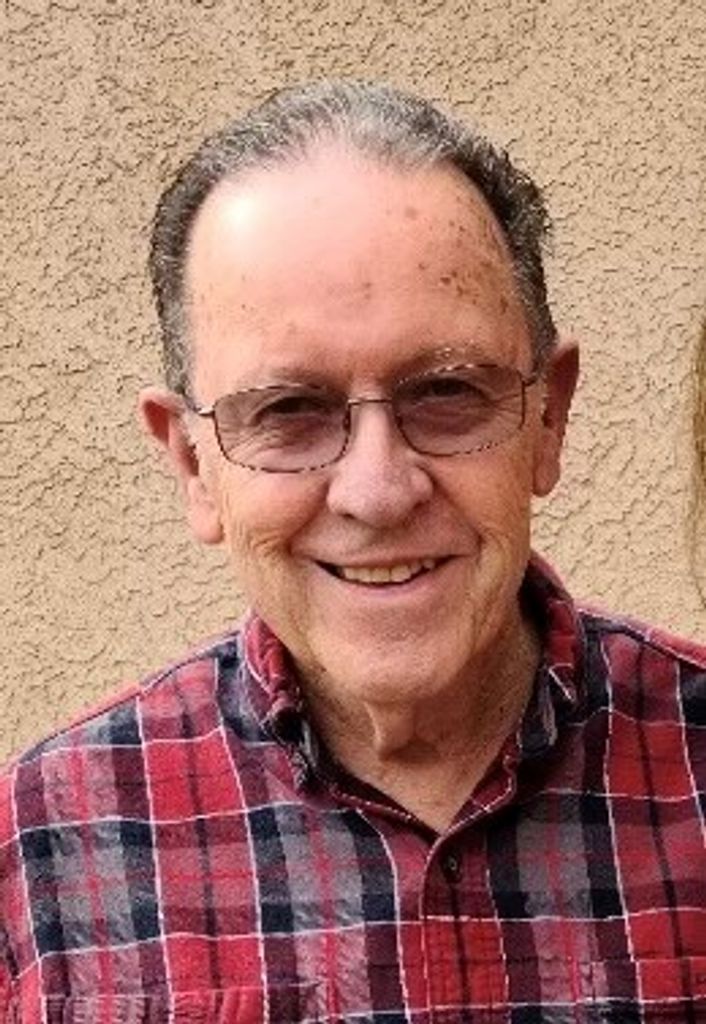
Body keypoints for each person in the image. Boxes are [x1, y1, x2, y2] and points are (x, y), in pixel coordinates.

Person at [2, 81, 705, 1022]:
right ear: (193, 464)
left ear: (550, 418)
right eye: (289, 410)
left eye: (447, 392)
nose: (376, 492)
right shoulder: (45, 851)